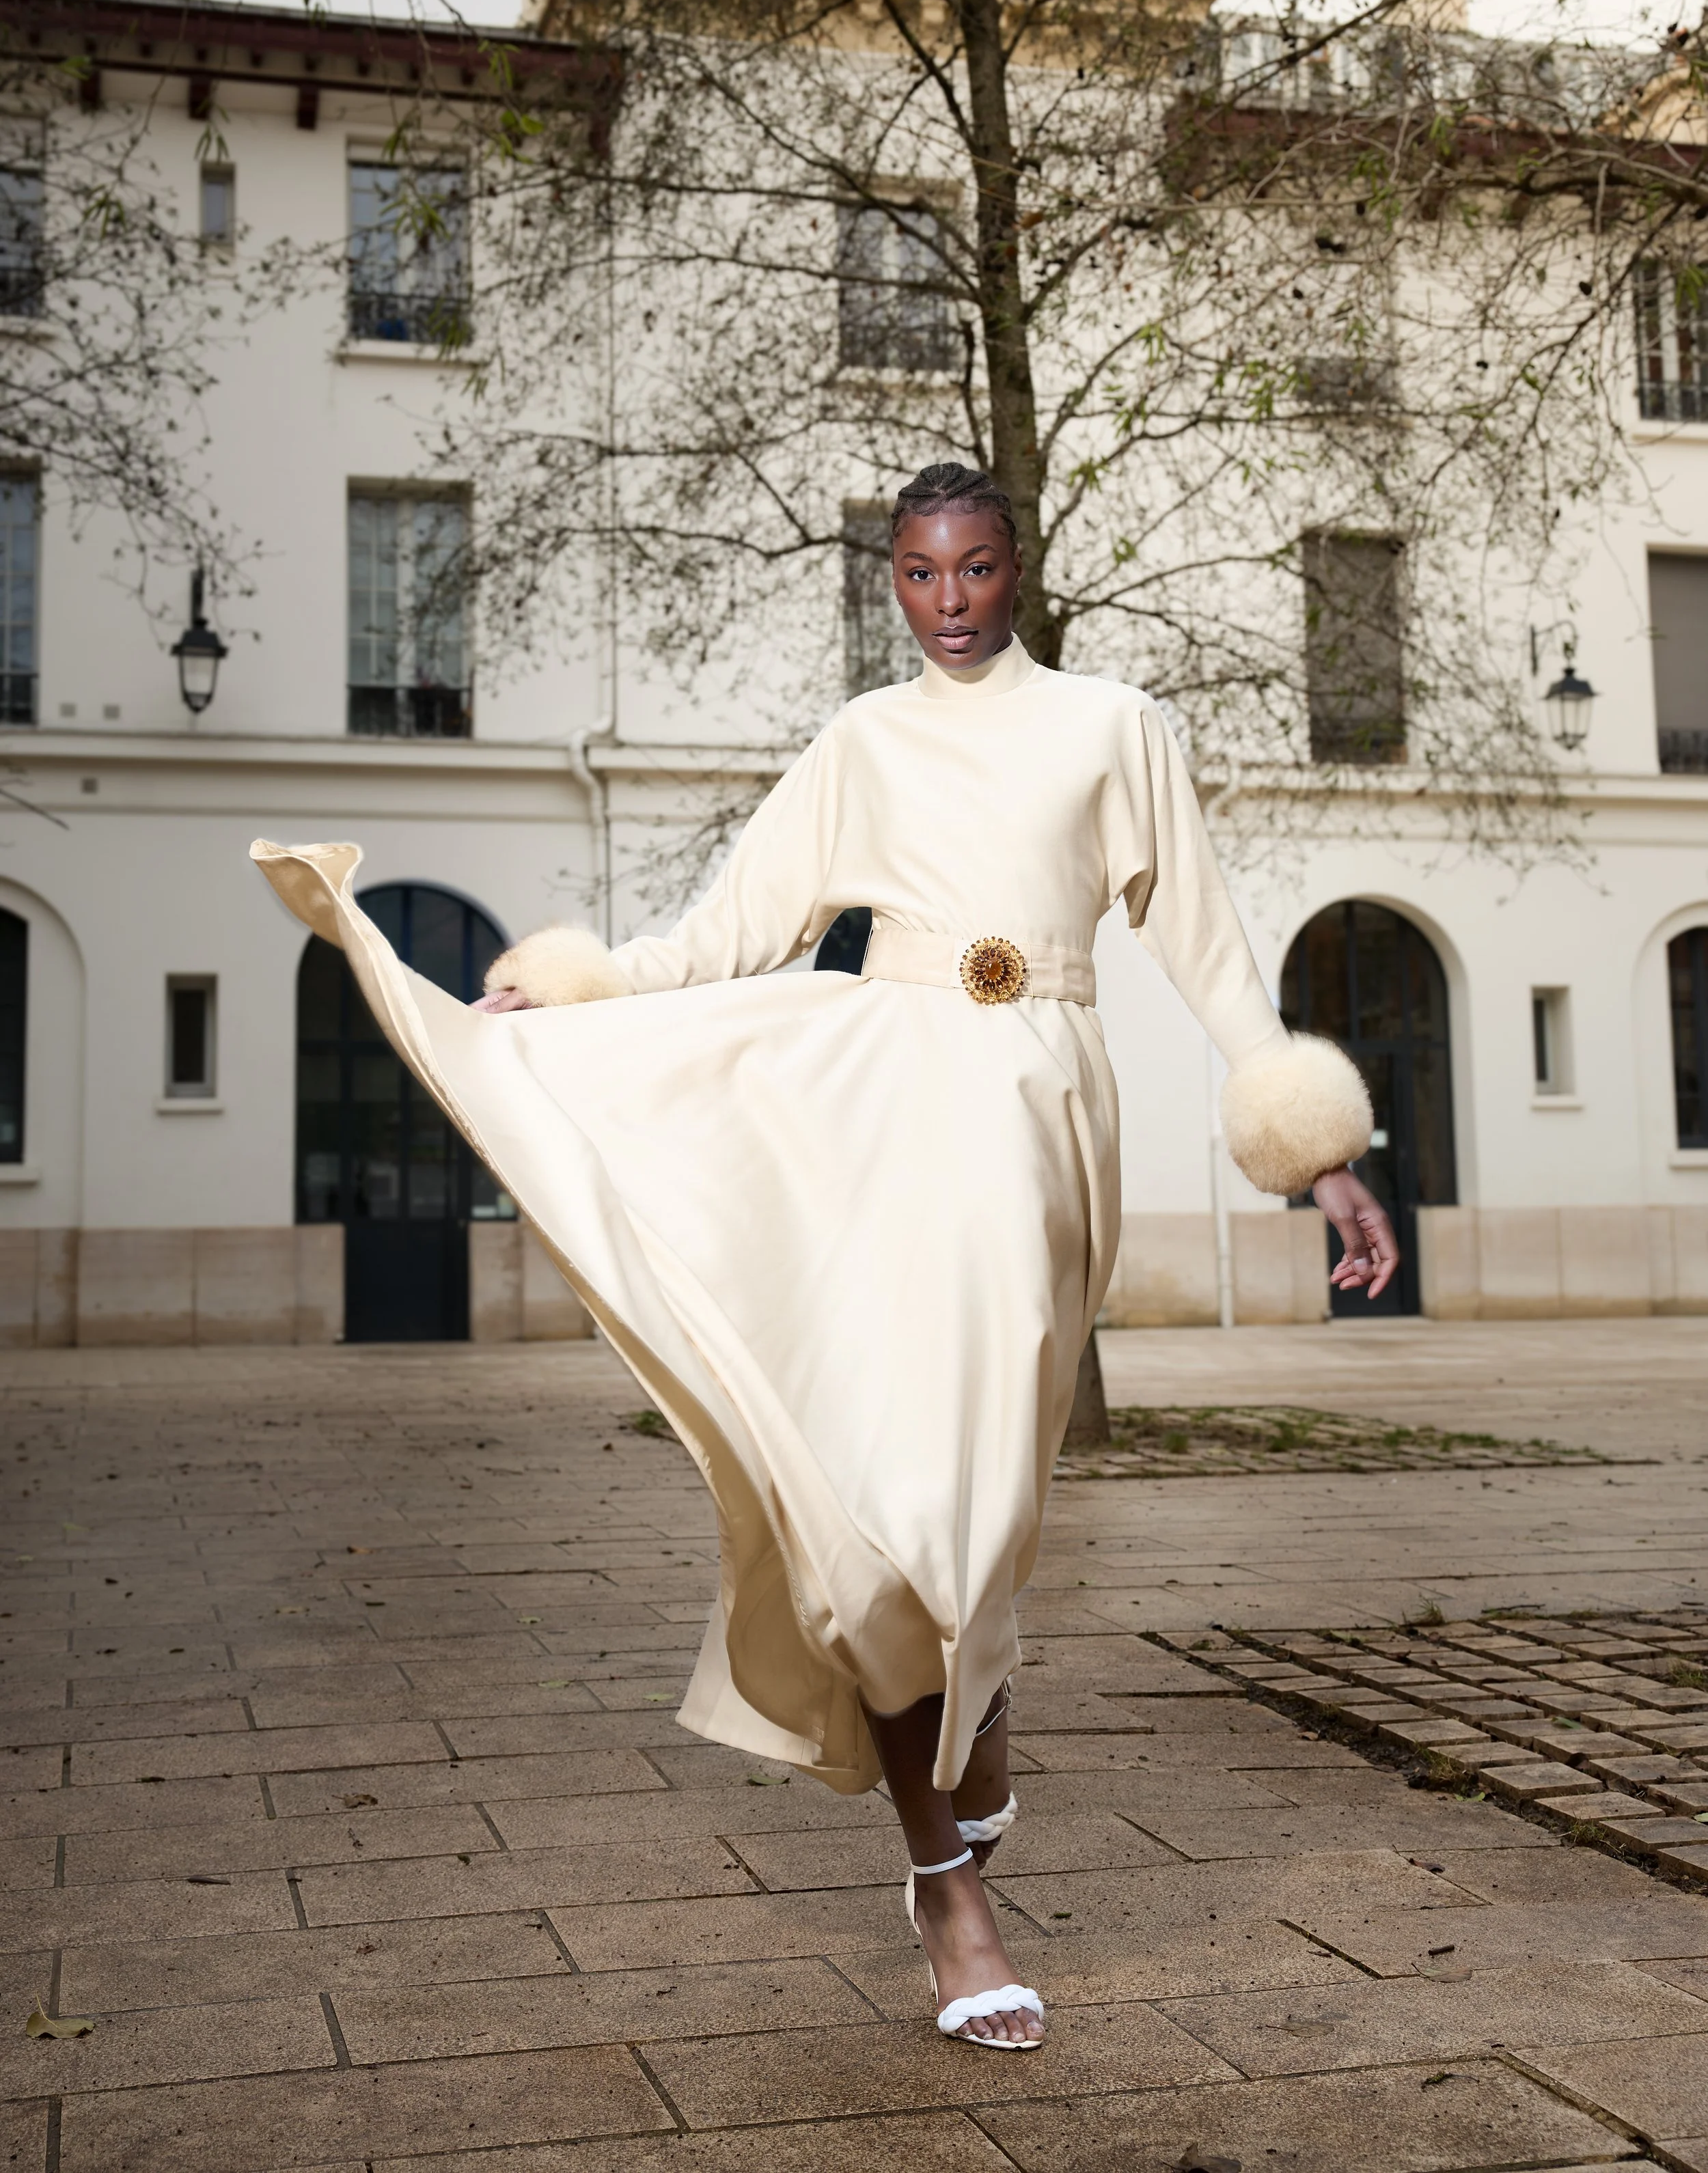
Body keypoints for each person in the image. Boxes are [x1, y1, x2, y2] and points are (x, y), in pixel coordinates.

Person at [253, 460, 1396, 2052]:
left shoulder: (1113, 728)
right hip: (886, 1107)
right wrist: (569, 996)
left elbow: (1205, 950)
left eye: (977, 570)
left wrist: (1318, 1156)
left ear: (1018, 571)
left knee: (989, 1512)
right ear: (891, 582)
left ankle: (973, 1711)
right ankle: (946, 1885)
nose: (949, 604)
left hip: (1051, 1124)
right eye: (920, 576)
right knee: (899, 1504)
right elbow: (733, 928)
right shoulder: (860, 743)